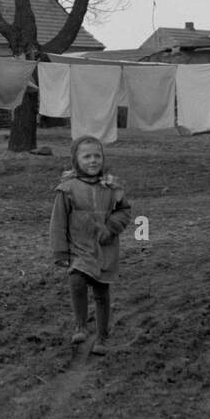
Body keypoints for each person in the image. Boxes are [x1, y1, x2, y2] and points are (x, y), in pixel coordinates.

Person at [49, 135, 132, 354]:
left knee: (101, 292)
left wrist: (111, 227)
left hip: (105, 249)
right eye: (86, 157)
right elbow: (58, 222)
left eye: (97, 156)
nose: (93, 160)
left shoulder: (111, 187)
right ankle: (81, 326)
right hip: (78, 247)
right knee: (76, 281)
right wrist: (60, 252)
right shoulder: (67, 189)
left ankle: (102, 337)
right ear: (76, 160)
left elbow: (124, 211)